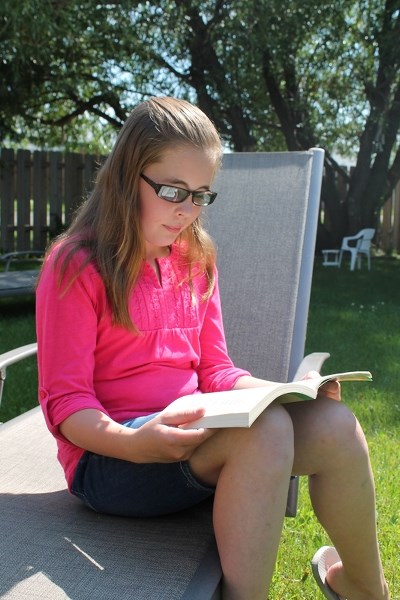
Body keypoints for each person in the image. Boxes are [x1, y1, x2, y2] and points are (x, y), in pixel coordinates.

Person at [36, 96, 389, 600]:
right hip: (111, 459)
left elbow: (216, 369)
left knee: (336, 425)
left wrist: (285, 390)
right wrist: (135, 442)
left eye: (201, 195)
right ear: (124, 177)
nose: (187, 211)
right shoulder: (76, 266)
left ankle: (363, 588)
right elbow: (65, 405)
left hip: (190, 434)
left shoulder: (194, 258)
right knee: (262, 433)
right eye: (173, 191)